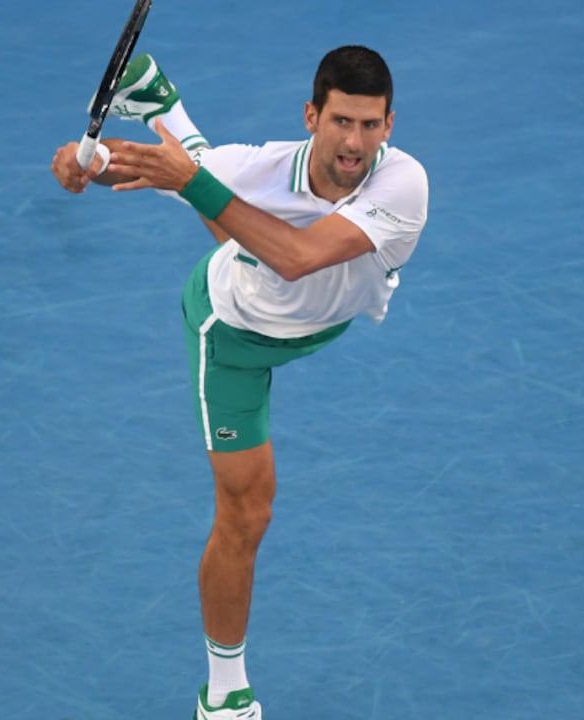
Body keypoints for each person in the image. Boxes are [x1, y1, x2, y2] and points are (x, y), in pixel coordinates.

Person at [50, 46, 429, 719]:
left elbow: (297, 258)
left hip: (309, 305)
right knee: (248, 513)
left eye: (371, 125)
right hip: (233, 335)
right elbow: (140, 171)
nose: (355, 142)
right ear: (312, 115)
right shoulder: (256, 168)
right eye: (341, 121)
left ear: (390, 125)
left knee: (236, 212)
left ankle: (165, 105)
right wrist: (86, 165)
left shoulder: (404, 184)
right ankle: (225, 695)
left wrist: (185, 176)